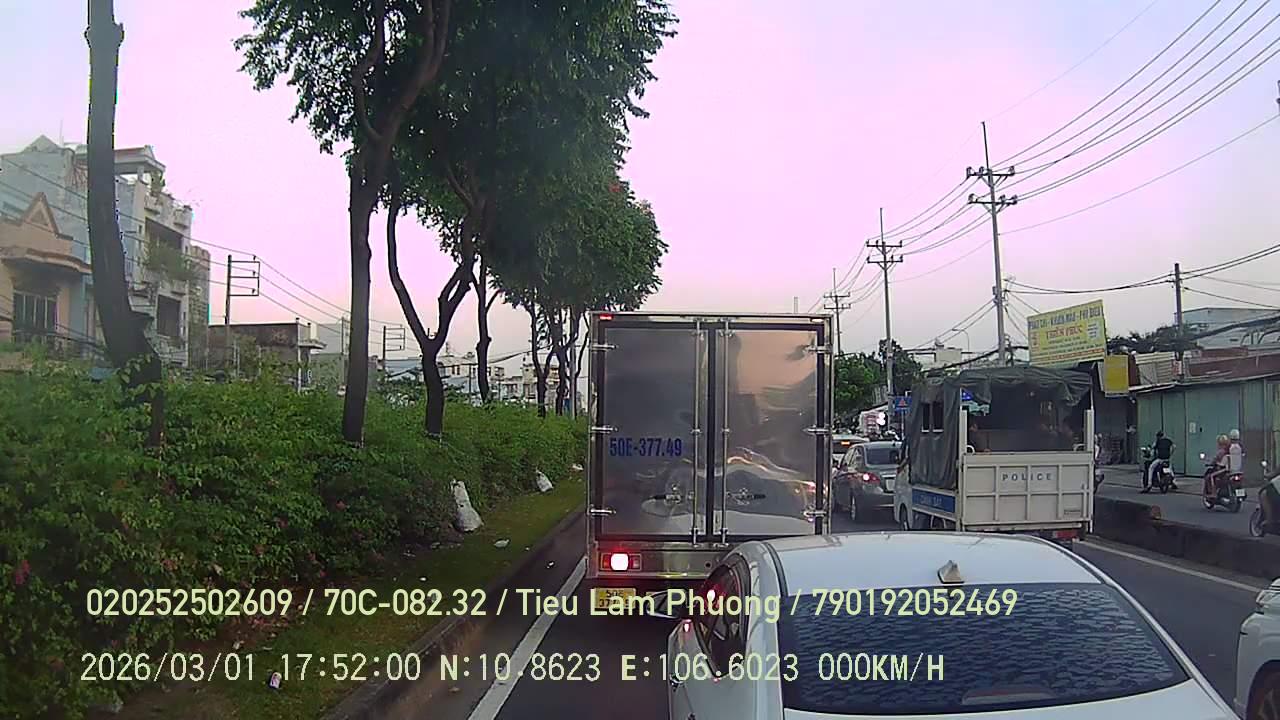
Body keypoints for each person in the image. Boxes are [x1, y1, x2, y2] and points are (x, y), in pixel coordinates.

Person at [1205, 434, 1231, 499]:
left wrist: (1210, 463)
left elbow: (1214, 460)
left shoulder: (1220, 452)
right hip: (1229, 469)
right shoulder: (1229, 451)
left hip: (1222, 469)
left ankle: (1213, 493)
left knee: (1210, 476)